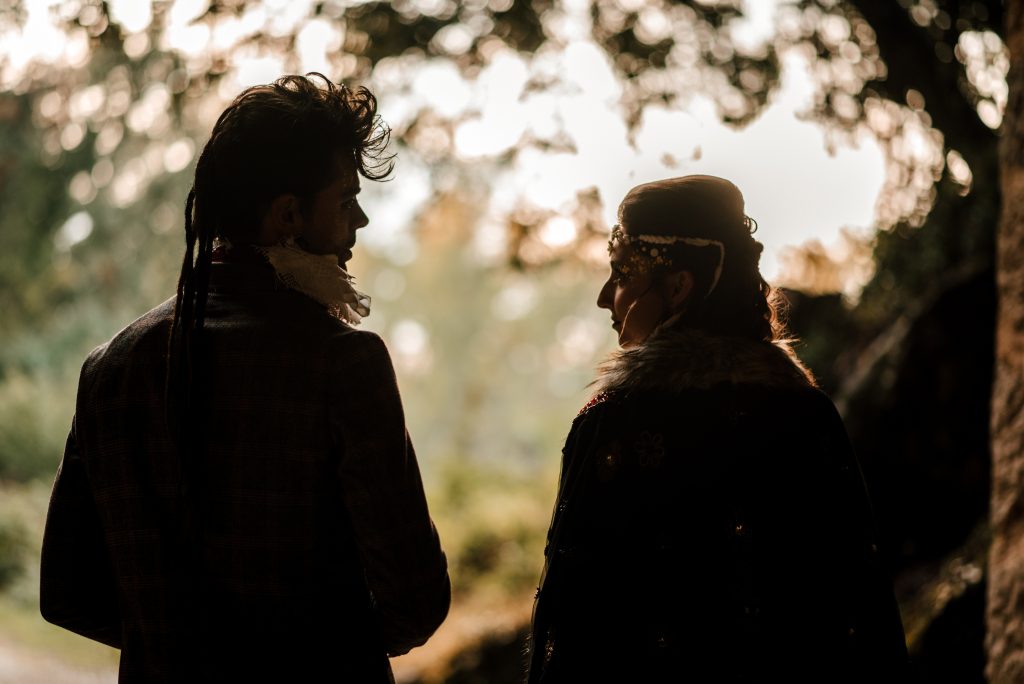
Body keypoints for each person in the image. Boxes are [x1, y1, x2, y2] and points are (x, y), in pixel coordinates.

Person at [39, 74, 450, 682]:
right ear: (288, 215)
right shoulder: (343, 363)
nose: (359, 221)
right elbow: (415, 603)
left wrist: (174, 646)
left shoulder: (110, 368)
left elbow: (67, 594)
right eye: (345, 201)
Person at [527, 175, 908, 683]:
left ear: (679, 287)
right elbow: (859, 609)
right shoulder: (808, 415)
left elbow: (575, 624)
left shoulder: (612, 424)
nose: (603, 297)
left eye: (621, 274)